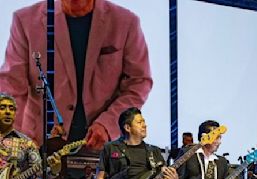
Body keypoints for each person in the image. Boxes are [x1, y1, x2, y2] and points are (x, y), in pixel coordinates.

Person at [0, 0, 152, 150]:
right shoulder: (25, 20)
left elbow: (139, 82)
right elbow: (12, 87)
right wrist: (18, 138)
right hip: (40, 146)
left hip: (103, 148)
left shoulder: (126, 22)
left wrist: (108, 124)